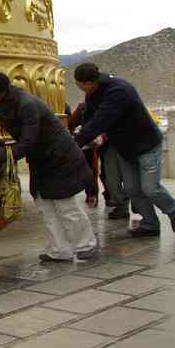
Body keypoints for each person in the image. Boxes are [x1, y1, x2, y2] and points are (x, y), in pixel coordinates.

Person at [0, 72, 97, 262]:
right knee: (45, 205)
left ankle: (85, 245)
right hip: (42, 159)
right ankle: (59, 250)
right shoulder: (8, 104)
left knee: (66, 205)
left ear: (1, 92)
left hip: (59, 158)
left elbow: (27, 143)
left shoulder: (26, 105)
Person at [72, 63, 171, 237]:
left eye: (80, 86)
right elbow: (89, 118)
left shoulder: (118, 90)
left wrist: (73, 146)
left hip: (146, 145)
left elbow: (100, 121)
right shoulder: (92, 93)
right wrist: (82, 134)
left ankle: (173, 211)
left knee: (151, 188)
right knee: (132, 189)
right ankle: (150, 225)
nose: (81, 90)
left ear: (87, 83)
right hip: (125, 148)